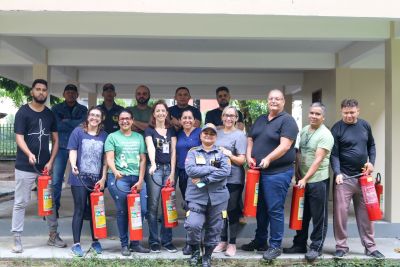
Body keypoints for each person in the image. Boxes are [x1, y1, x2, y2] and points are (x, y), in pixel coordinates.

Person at [11, 79, 67, 253]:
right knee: (21, 202)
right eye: (38, 89)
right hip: (24, 166)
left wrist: (50, 161)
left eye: (44, 90)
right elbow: (19, 137)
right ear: (32, 92)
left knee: (49, 203)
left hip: (44, 168)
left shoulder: (49, 114)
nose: (41, 92)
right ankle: (17, 239)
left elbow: (56, 140)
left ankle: (52, 235)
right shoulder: (23, 112)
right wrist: (29, 154)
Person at [242, 89, 298, 260]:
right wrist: (249, 155)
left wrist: (268, 158)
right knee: (261, 209)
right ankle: (260, 241)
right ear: (267, 101)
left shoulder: (288, 121)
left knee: (274, 209)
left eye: (278, 99)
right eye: (271, 98)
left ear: (283, 102)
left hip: (278, 173)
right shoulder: (261, 119)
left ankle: (275, 245)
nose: (274, 101)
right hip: (259, 173)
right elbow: (251, 139)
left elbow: (285, 146)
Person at [330, 99, 384, 259]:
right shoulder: (337, 128)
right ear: (341, 112)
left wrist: (371, 163)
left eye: (352, 112)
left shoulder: (365, 126)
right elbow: (334, 154)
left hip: (364, 177)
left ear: (358, 111)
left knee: (366, 214)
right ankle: (341, 246)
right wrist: (337, 172)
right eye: (346, 113)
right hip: (344, 178)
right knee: (340, 214)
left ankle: (371, 247)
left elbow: (372, 146)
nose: (349, 115)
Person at [283, 102, 334, 262]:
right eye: (312, 113)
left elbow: (318, 160)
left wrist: (305, 179)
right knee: (302, 214)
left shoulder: (325, 135)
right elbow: (299, 153)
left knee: (319, 216)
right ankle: (299, 244)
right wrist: (298, 171)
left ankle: (316, 247)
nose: (313, 116)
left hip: (318, 181)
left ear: (323, 117)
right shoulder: (304, 130)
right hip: (302, 179)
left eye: (317, 114)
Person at [185, 123, 231, 267]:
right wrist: (212, 168)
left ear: (216, 137)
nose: (208, 136)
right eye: (206, 133)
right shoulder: (193, 152)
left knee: (215, 227)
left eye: (212, 134)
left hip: (218, 197)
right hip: (196, 197)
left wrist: (205, 179)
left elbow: (225, 172)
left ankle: (207, 256)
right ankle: (195, 252)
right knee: (193, 225)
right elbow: (191, 170)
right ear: (201, 135)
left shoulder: (222, 153)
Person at [105, 109, 150, 256]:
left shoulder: (138, 137)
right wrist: (115, 171)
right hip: (119, 178)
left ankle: (135, 243)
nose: (125, 121)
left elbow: (143, 159)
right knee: (123, 211)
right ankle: (124, 244)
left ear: (132, 121)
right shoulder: (112, 137)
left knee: (141, 210)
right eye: (122, 119)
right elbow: (110, 158)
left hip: (136, 178)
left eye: (127, 119)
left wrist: (141, 179)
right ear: (118, 121)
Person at [67, 106, 108, 257]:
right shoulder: (78, 132)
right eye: (92, 115)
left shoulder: (104, 135)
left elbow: (106, 159)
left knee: (95, 211)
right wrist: (74, 165)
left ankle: (95, 241)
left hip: (97, 181)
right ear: (87, 116)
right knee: (79, 210)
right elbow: (73, 150)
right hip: (79, 179)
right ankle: (76, 244)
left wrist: (103, 178)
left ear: (101, 118)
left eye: (98, 116)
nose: (94, 118)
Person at [213, 106, 247, 257]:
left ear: (236, 118)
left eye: (232, 116)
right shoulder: (217, 133)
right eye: (226, 115)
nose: (229, 118)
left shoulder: (240, 135)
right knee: (220, 211)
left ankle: (232, 243)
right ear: (222, 117)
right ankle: (222, 241)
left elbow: (242, 160)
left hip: (234, 178)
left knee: (232, 210)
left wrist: (229, 155)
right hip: (218, 178)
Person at [145, 100, 178, 253]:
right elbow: (150, 147)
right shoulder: (149, 130)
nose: (160, 113)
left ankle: (167, 240)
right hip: (156, 169)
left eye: (163, 110)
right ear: (154, 114)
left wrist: (172, 172)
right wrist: (152, 163)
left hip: (169, 170)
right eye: (157, 110)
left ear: (167, 113)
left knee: (168, 205)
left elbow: (173, 152)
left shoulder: (171, 130)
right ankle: (154, 241)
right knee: (153, 205)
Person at [51, 84, 88, 217]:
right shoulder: (56, 108)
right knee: (56, 180)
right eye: (68, 92)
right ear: (64, 94)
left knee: (82, 179)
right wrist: (73, 123)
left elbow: (83, 125)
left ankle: (84, 209)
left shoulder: (83, 109)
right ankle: (53, 210)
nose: (71, 94)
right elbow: (57, 125)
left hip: (78, 148)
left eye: (73, 92)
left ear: (77, 95)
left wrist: (66, 121)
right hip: (60, 147)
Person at [175, 108, 202, 255]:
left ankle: (193, 242)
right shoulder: (177, 134)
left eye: (189, 118)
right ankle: (189, 241)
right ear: (180, 120)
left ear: (195, 120)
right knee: (187, 206)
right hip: (182, 174)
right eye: (184, 118)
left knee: (195, 206)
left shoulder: (200, 132)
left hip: (196, 175)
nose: (187, 120)